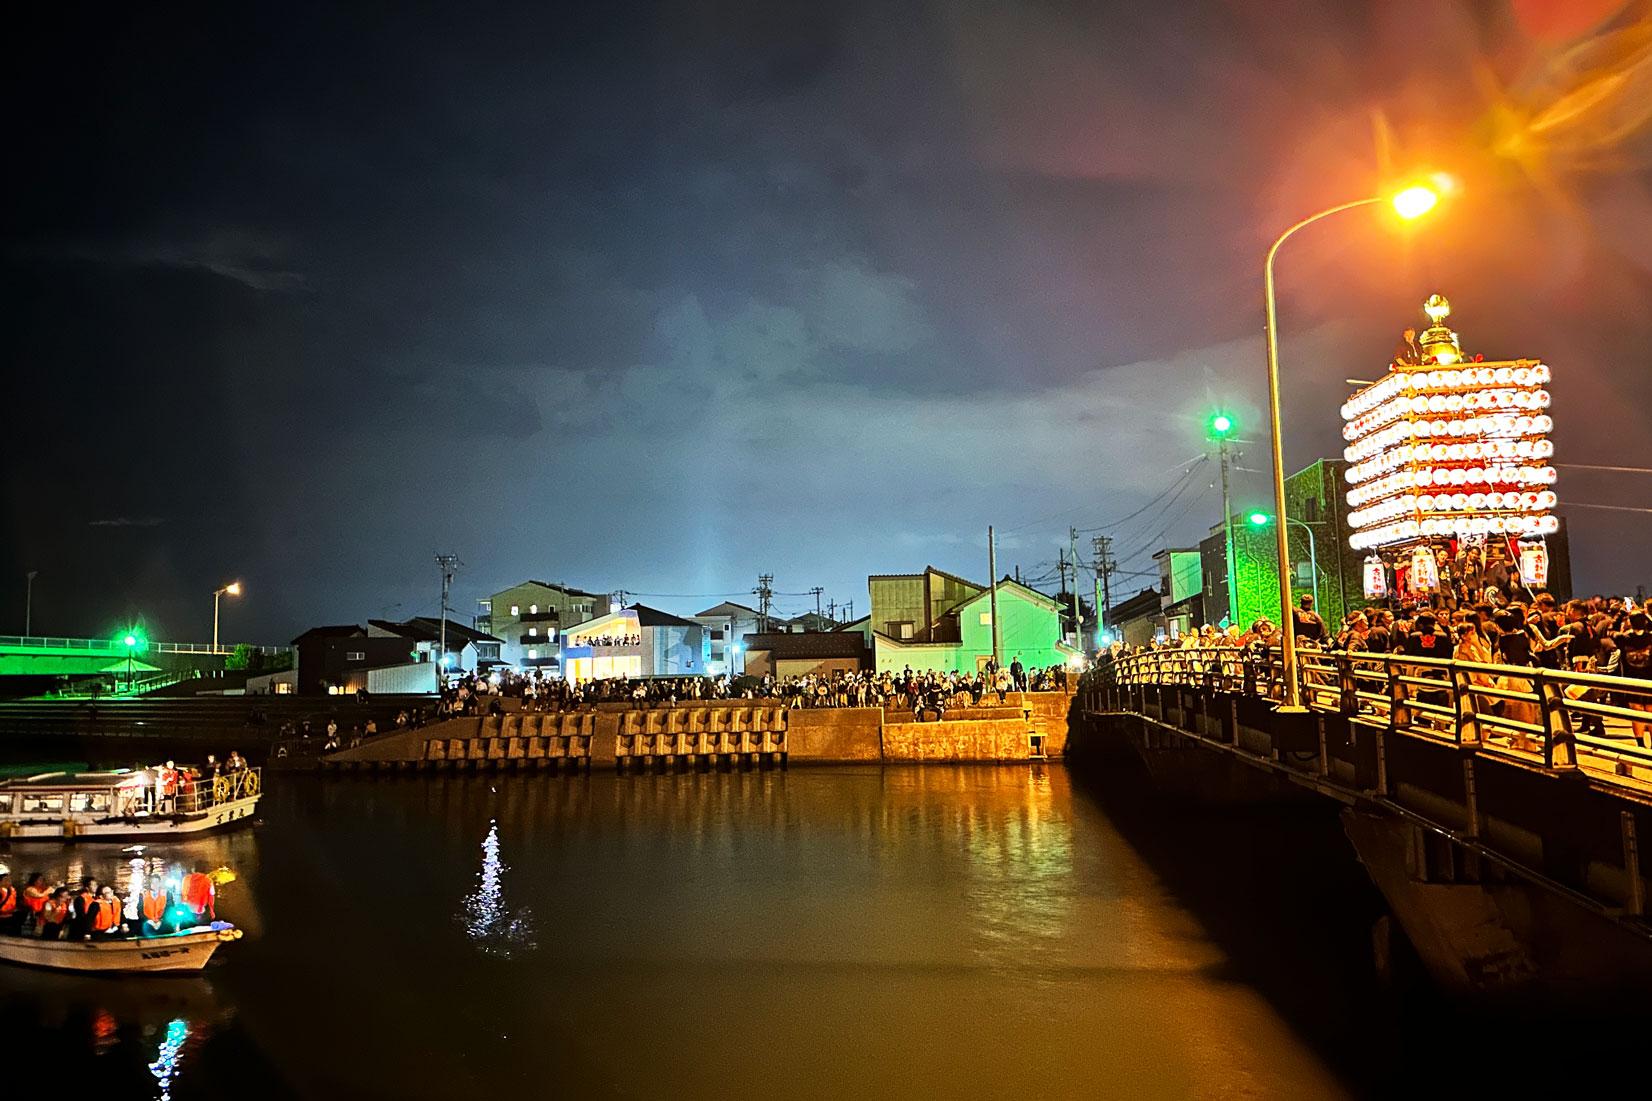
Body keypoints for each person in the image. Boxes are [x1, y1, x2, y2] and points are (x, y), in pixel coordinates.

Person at [0, 871, 17, 936]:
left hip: (10, 916)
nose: (9, 881)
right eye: (6, 879)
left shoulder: (11, 890)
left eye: (9, 879)